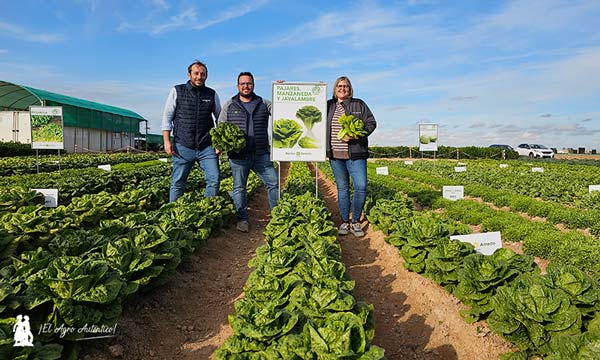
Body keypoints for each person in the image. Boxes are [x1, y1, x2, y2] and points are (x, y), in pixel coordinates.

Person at [218, 72, 279, 232]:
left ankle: (278, 217)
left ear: (253, 85)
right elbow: (220, 126)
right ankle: (242, 220)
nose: (246, 86)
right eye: (243, 83)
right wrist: (220, 145)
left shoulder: (264, 103)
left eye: (249, 83)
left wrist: (280, 91)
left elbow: (283, 110)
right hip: (238, 156)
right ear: (238, 86)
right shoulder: (229, 104)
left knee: (273, 183)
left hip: (261, 154)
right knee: (239, 188)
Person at [161, 60, 221, 202]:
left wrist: (219, 143)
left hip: (207, 146)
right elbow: (167, 117)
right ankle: (174, 213)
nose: (199, 77)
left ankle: (207, 210)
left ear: (206, 76)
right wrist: (166, 141)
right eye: (196, 73)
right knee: (178, 182)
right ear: (189, 75)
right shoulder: (177, 91)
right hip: (183, 145)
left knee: (214, 179)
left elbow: (220, 119)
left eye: (202, 74)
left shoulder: (211, 94)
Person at [326, 76, 376, 237]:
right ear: (335, 89)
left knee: (361, 186)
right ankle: (344, 222)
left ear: (350, 89)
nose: (342, 88)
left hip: (356, 154)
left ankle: (355, 221)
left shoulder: (359, 104)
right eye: (339, 86)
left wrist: (356, 136)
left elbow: (371, 123)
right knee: (342, 188)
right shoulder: (328, 105)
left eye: (346, 86)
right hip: (335, 155)